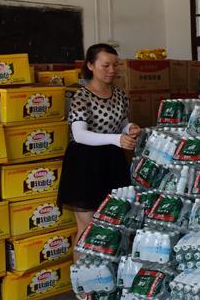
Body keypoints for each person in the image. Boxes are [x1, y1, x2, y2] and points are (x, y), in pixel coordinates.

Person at [58, 44, 140, 273]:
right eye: (105, 65)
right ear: (91, 66)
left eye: (115, 64)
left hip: (111, 163)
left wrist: (130, 128)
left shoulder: (120, 94)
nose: (111, 69)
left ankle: (106, 277)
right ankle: (83, 282)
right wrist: (116, 139)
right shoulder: (81, 96)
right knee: (87, 226)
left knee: (114, 224)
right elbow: (80, 134)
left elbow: (122, 122)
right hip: (84, 164)